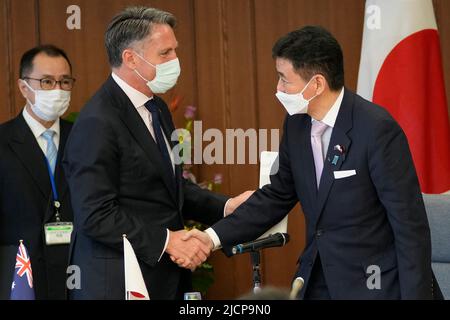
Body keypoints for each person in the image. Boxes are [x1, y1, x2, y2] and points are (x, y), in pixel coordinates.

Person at [184, 26, 437, 299]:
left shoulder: (377, 130)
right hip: (318, 278)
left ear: (316, 83)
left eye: (284, 79)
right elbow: (276, 196)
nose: (278, 88)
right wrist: (211, 237)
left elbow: (410, 227)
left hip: (375, 284)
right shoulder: (296, 125)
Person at [62, 6, 252, 300]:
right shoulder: (97, 122)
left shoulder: (157, 108)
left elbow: (171, 187)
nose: (175, 61)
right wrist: (168, 241)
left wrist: (226, 206)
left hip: (164, 279)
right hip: (118, 282)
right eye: (165, 53)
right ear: (130, 58)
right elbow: (95, 214)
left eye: (175, 51)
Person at [0, 45, 75, 299]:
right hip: (21, 278)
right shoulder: (3, 141)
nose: (57, 89)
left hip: (77, 276)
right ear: (24, 87)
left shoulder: (85, 138)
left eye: (64, 82)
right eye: (46, 81)